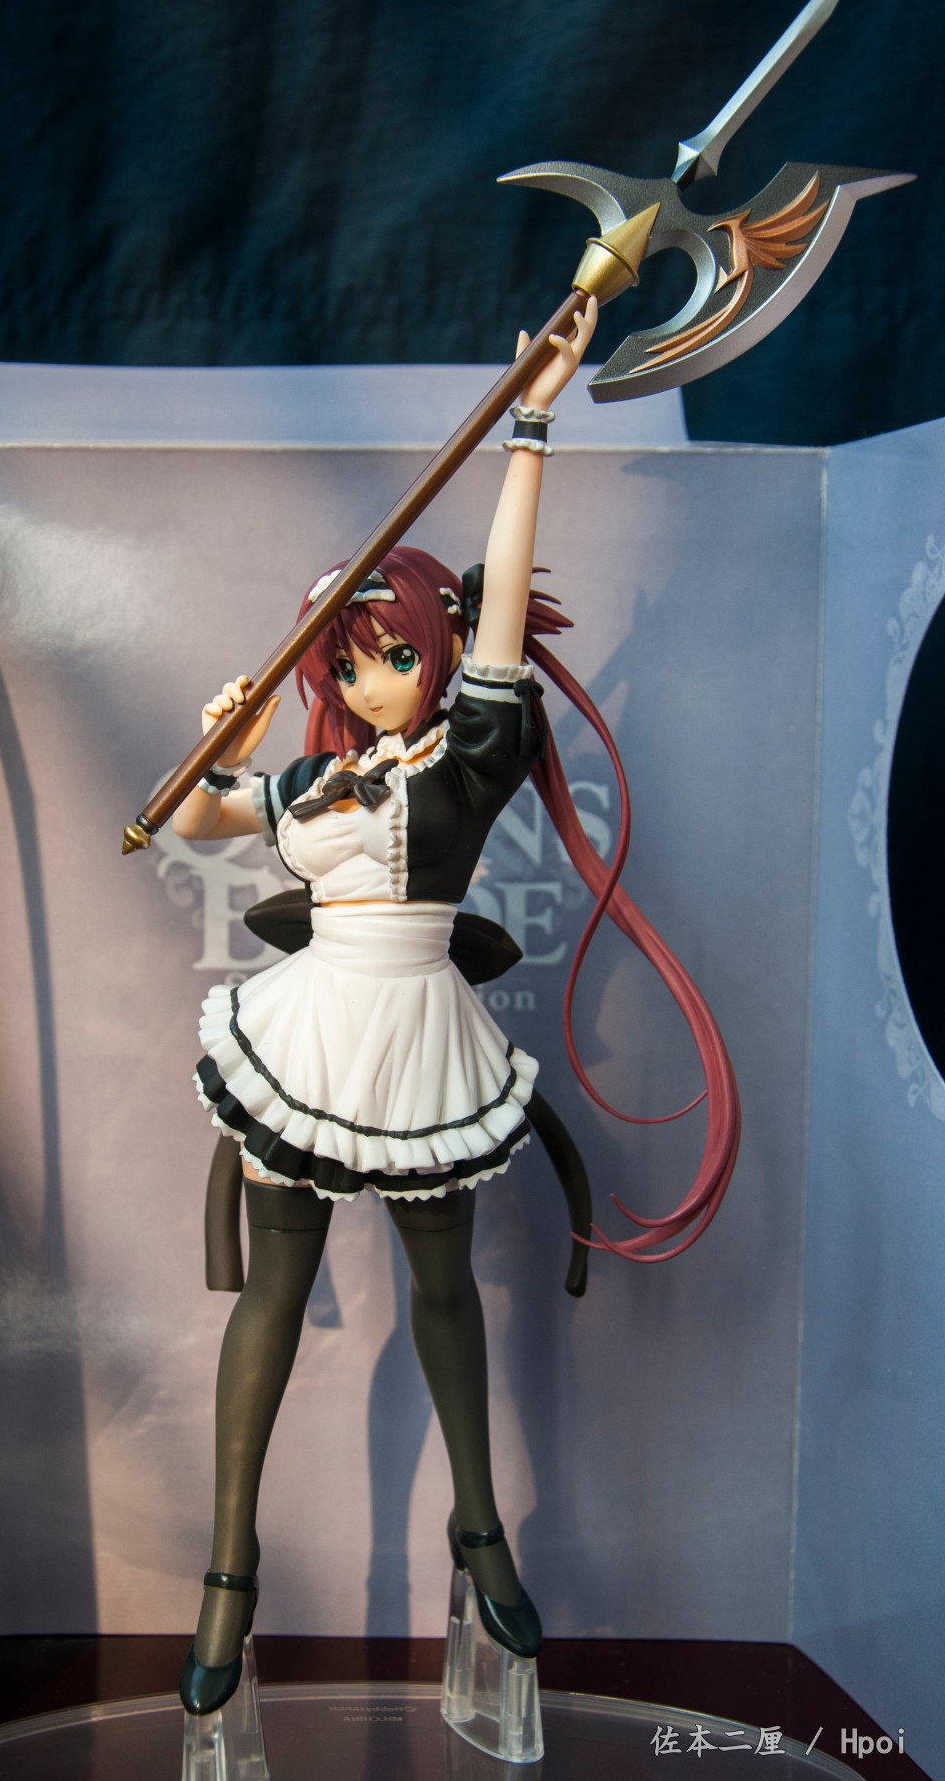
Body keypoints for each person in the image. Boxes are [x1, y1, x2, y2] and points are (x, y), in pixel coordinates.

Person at [170, 295, 740, 1715]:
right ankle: (229, 1572)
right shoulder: (317, 780)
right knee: (278, 1293)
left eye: (397, 652)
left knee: (442, 1289)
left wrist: (532, 419)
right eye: (350, 661)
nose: (373, 680)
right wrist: (225, 737)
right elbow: (200, 818)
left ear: (433, 648)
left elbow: (497, 615)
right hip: (309, 1032)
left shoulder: (471, 756)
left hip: (421, 1031)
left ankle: (479, 1530)